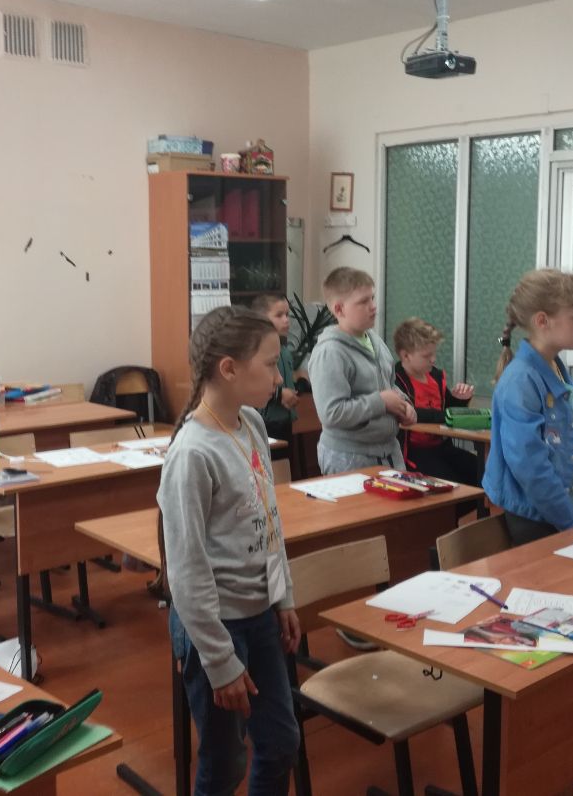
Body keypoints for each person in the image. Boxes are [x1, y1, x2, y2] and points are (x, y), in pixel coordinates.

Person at [158, 306, 302, 796]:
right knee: (225, 764)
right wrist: (220, 661)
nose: (279, 377)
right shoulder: (192, 453)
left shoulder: (252, 424)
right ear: (229, 368)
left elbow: (269, 520)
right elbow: (187, 573)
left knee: (280, 743)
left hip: (259, 615)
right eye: (271, 364)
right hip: (215, 629)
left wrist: (282, 596)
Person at [483, 269, 573, 545]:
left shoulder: (557, 370)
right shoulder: (520, 380)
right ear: (542, 321)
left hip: (567, 511)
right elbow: (531, 468)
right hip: (537, 519)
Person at [308, 267, 415, 475]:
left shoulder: (375, 341)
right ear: (339, 309)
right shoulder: (330, 352)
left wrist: (404, 404)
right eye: (363, 302)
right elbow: (332, 413)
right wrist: (381, 402)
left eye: (372, 298)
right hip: (348, 456)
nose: (373, 306)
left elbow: (388, 385)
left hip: (388, 451)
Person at [392, 317, 478, 484]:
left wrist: (459, 400)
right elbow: (414, 412)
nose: (433, 359)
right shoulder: (395, 380)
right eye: (427, 356)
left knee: (481, 472)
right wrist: (445, 415)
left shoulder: (436, 377)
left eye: (434, 353)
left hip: (442, 448)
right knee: (452, 483)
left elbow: (447, 410)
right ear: (406, 355)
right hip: (413, 453)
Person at [249, 294, 299, 467]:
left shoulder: (284, 349)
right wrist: (279, 395)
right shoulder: (256, 351)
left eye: (287, 314)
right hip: (266, 423)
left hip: (285, 420)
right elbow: (252, 384)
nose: (286, 320)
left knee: (285, 467)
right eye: (279, 315)